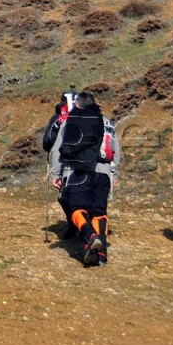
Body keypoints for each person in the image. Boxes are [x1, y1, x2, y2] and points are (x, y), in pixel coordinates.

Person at [47, 90, 113, 266]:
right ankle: (102, 254)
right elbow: (115, 148)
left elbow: (58, 149)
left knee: (77, 207)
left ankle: (88, 238)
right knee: (99, 212)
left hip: (78, 170)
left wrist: (56, 174)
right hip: (104, 172)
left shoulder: (72, 121)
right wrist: (115, 172)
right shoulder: (106, 122)